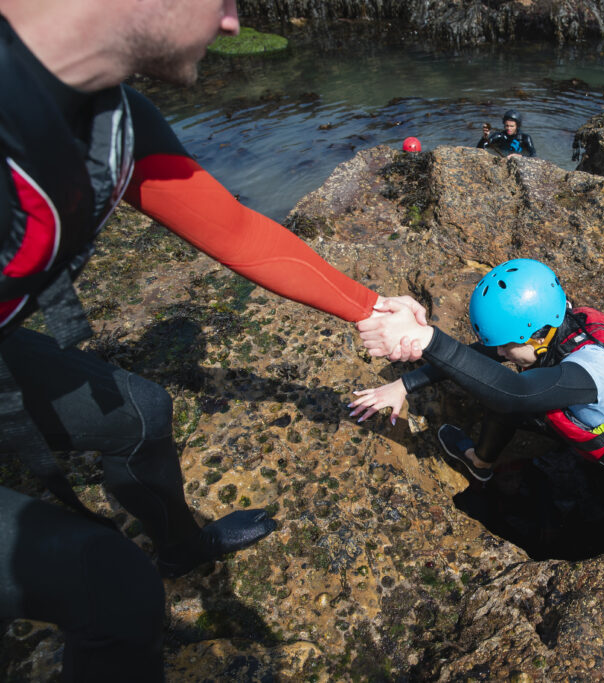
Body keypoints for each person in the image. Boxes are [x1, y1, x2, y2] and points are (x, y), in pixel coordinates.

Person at [0, 1, 424, 679]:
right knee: (111, 588)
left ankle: (181, 550)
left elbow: (233, 229)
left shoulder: (114, 119)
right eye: (223, 1)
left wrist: (371, 308)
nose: (233, 23)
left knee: (142, 414)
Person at [352, 259, 604, 560]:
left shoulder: (596, 372)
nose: (500, 353)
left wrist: (429, 340)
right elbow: (485, 363)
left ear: (536, 336)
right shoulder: (557, 324)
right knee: (497, 393)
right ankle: (480, 463)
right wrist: (405, 384)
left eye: (505, 346)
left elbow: (515, 393)